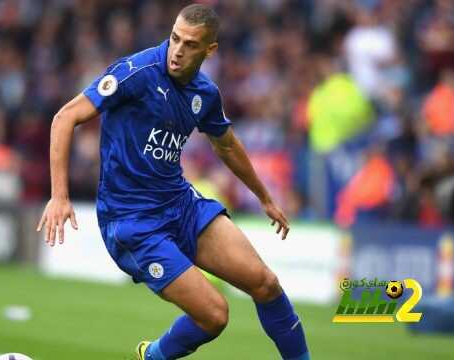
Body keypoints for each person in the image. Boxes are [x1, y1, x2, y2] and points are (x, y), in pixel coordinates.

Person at [37, 4, 310, 360]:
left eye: (190, 44)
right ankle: (153, 355)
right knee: (215, 315)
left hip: (181, 205)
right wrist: (59, 195)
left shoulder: (205, 94)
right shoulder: (137, 73)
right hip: (133, 222)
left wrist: (264, 197)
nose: (177, 51)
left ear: (209, 50)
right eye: (174, 38)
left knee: (266, 283)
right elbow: (65, 117)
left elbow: (225, 143)